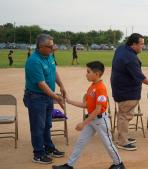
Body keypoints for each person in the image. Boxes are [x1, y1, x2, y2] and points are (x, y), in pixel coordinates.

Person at [52, 61, 125, 169]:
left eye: (88, 72)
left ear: (97, 73)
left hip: (100, 121)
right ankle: (69, 165)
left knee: (108, 144)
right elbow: (86, 105)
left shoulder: (101, 88)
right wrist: (69, 100)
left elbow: (98, 109)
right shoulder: (92, 86)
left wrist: (83, 123)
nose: (86, 74)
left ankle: (119, 164)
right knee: (80, 142)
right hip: (91, 120)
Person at [111, 33, 148, 151]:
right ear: (134, 44)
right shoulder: (130, 59)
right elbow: (143, 79)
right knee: (125, 116)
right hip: (127, 92)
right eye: (141, 44)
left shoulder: (121, 49)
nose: (143, 46)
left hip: (120, 89)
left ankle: (122, 137)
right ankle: (122, 141)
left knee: (123, 115)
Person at [23, 34, 66, 164]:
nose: (52, 49)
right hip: (36, 97)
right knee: (38, 127)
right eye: (50, 46)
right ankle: (38, 154)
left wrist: (61, 85)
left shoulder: (49, 56)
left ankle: (48, 148)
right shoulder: (34, 61)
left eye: (53, 46)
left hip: (47, 97)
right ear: (41, 47)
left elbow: (54, 71)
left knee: (47, 125)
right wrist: (56, 97)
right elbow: (41, 84)